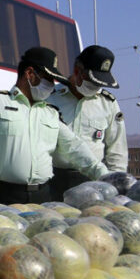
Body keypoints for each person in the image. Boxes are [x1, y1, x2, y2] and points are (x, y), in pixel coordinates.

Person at [0, 46, 108, 205]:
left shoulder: (50, 113)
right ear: (30, 74)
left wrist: (103, 175)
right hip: (2, 195)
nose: (52, 85)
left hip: (42, 196)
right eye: (48, 79)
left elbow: (74, 147)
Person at [46, 45, 127, 198]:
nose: (96, 88)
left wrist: (117, 185)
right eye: (92, 83)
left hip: (93, 183)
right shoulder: (50, 97)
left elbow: (117, 151)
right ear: (77, 71)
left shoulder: (108, 103)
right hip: (53, 181)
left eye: (100, 84)